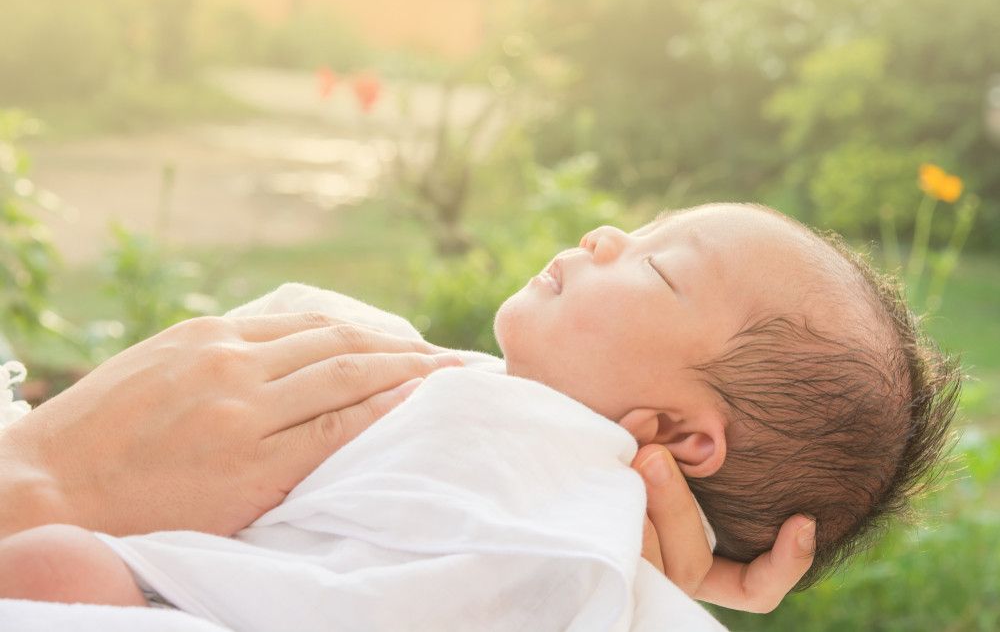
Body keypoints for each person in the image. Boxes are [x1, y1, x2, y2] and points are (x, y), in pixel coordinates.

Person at [0, 204, 850, 616]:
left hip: (200, 596)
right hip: (177, 560)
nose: (605, 237)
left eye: (660, 269)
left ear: (675, 435)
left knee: (56, 570)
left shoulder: (579, 497)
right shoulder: (533, 437)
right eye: (644, 225)